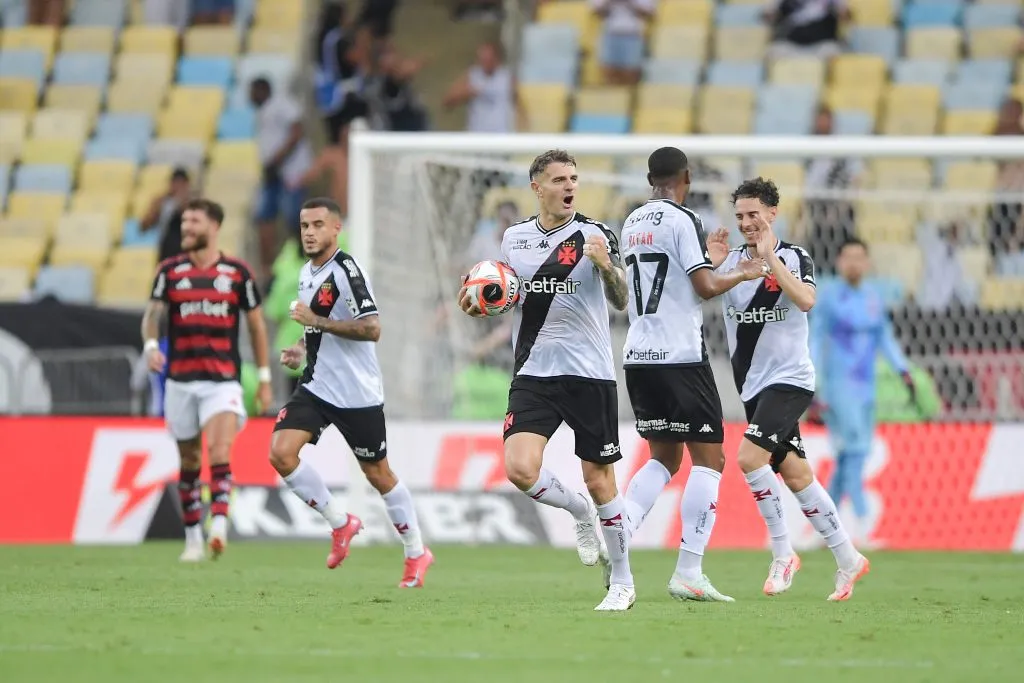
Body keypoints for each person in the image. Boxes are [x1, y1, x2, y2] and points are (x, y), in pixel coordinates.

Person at [457, 150, 636, 611]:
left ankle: (622, 581)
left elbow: (619, 299)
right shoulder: (514, 239)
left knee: (601, 480)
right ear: (537, 188)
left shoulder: (595, 234)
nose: (569, 186)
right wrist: (481, 297)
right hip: (533, 370)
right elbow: (508, 292)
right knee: (519, 468)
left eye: (574, 178)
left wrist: (607, 267)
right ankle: (577, 512)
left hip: (588, 372)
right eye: (558, 179)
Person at [617, 148, 767, 602]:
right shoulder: (683, 219)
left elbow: (673, 279)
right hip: (680, 355)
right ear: (687, 177)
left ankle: (615, 534)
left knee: (663, 457)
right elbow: (702, 288)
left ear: (650, 178)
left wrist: (710, 258)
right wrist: (740, 271)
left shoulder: (631, 222)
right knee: (711, 460)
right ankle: (688, 571)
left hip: (639, 355)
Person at [716, 177, 869, 601]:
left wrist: (771, 262)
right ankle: (848, 558)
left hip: (790, 379)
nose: (747, 223)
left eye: (754, 214)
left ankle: (783, 553)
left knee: (749, 458)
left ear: (772, 213)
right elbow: (707, 297)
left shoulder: (794, 256)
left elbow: (805, 300)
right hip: (751, 385)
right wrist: (715, 268)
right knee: (797, 473)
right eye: (741, 216)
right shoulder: (729, 261)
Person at [270, 198, 434, 587]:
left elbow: (372, 328)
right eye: (304, 225)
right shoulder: (307, 273)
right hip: (316, 385)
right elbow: (320, 326)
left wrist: (315, 321)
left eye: (317, 225)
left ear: (335, 229)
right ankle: (340, 523)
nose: (309, 232)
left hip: (357, 394)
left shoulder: (347, 270)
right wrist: (301, 344)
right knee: (280, 452)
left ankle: (416, 551)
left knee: (378, 473)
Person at [142, 199, 273, 562]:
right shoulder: (169, 271)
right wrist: (152, 345)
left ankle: (218, 525)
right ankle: (192, 539)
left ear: (213, 226)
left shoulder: (237, 273)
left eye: (193, 222)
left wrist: (263, 377)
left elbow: (256, 324)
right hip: (180, 381)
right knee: (189, 460)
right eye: (184, 222)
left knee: (219, 452)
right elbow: (152, 316)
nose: (186, 228)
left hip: (222, 380)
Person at [811, 238, 916, 545]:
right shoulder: (829, 299)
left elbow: (885, 338)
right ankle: (862, 521)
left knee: (847, 456)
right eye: (848, 257)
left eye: (859, 257)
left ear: (867, 263)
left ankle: (824, 528)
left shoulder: (873, 298)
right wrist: (812, 381)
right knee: (855, 453)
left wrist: (902, 370)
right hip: (838, 388)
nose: (854, 263)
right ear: (840, 262)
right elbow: (815, 338)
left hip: (867, 389)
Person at [251, 77, 315, 277]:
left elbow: (297, 131)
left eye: (252, 91)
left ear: (263, 89)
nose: (249, 96)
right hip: (273, 174)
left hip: (290, 172)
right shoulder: (263, 111)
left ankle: (307, 259)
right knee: (264, 216)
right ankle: (268, 269)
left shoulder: (281, 104)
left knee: (294, 217)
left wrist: (278, 160)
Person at [443, 41, 523, 133]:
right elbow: (447, 102)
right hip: (477, 137)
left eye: (488, 58)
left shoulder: (506, 77)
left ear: (497, 58)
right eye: (482, 58)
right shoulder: (472, 75)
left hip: (500, 137)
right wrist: (466, 93)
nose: (484, 61)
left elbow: (518, 105)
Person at [589, 0, 654, 85]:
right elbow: (595, 11)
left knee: (631, 73)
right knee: (609, 73)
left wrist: (630, 3)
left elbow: (649, 13)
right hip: (610, 33)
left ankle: (630, 97)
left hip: (633, 34)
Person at [142, 168, 193, 263]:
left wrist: (181, 202)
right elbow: (143, 226)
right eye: (175, 182)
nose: (178, 186)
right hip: (165, 247)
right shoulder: (162, 202)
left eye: (181, 183)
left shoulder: (192, 202)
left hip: (186, 249)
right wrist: (156, 209)